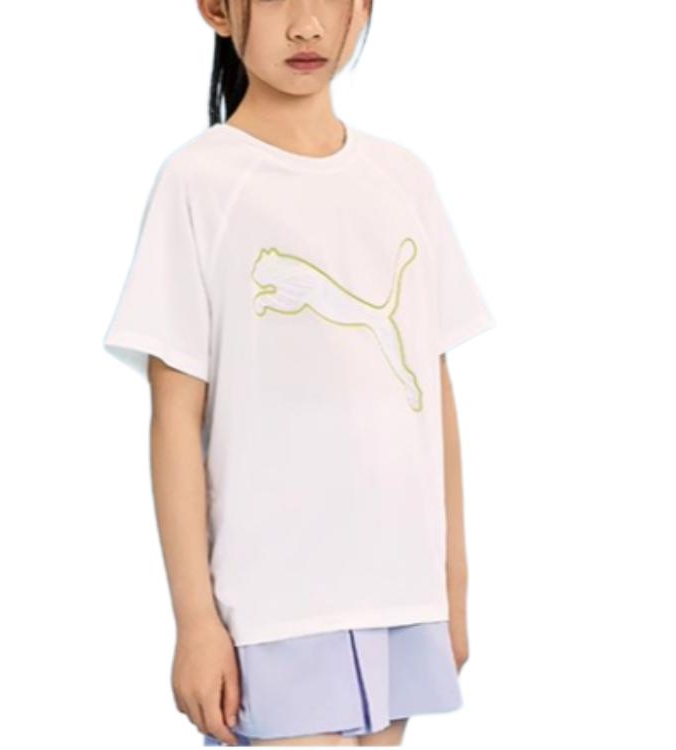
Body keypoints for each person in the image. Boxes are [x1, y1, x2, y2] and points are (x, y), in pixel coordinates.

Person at [102, 0, 496, 746]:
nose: (307, 25)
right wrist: (195, 620)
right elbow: (175, 415)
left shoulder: (403, 178)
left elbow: (432, 395)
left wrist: (453, 589)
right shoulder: (200, 181)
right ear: (218, 10)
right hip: (273, 605)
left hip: (400, 595)